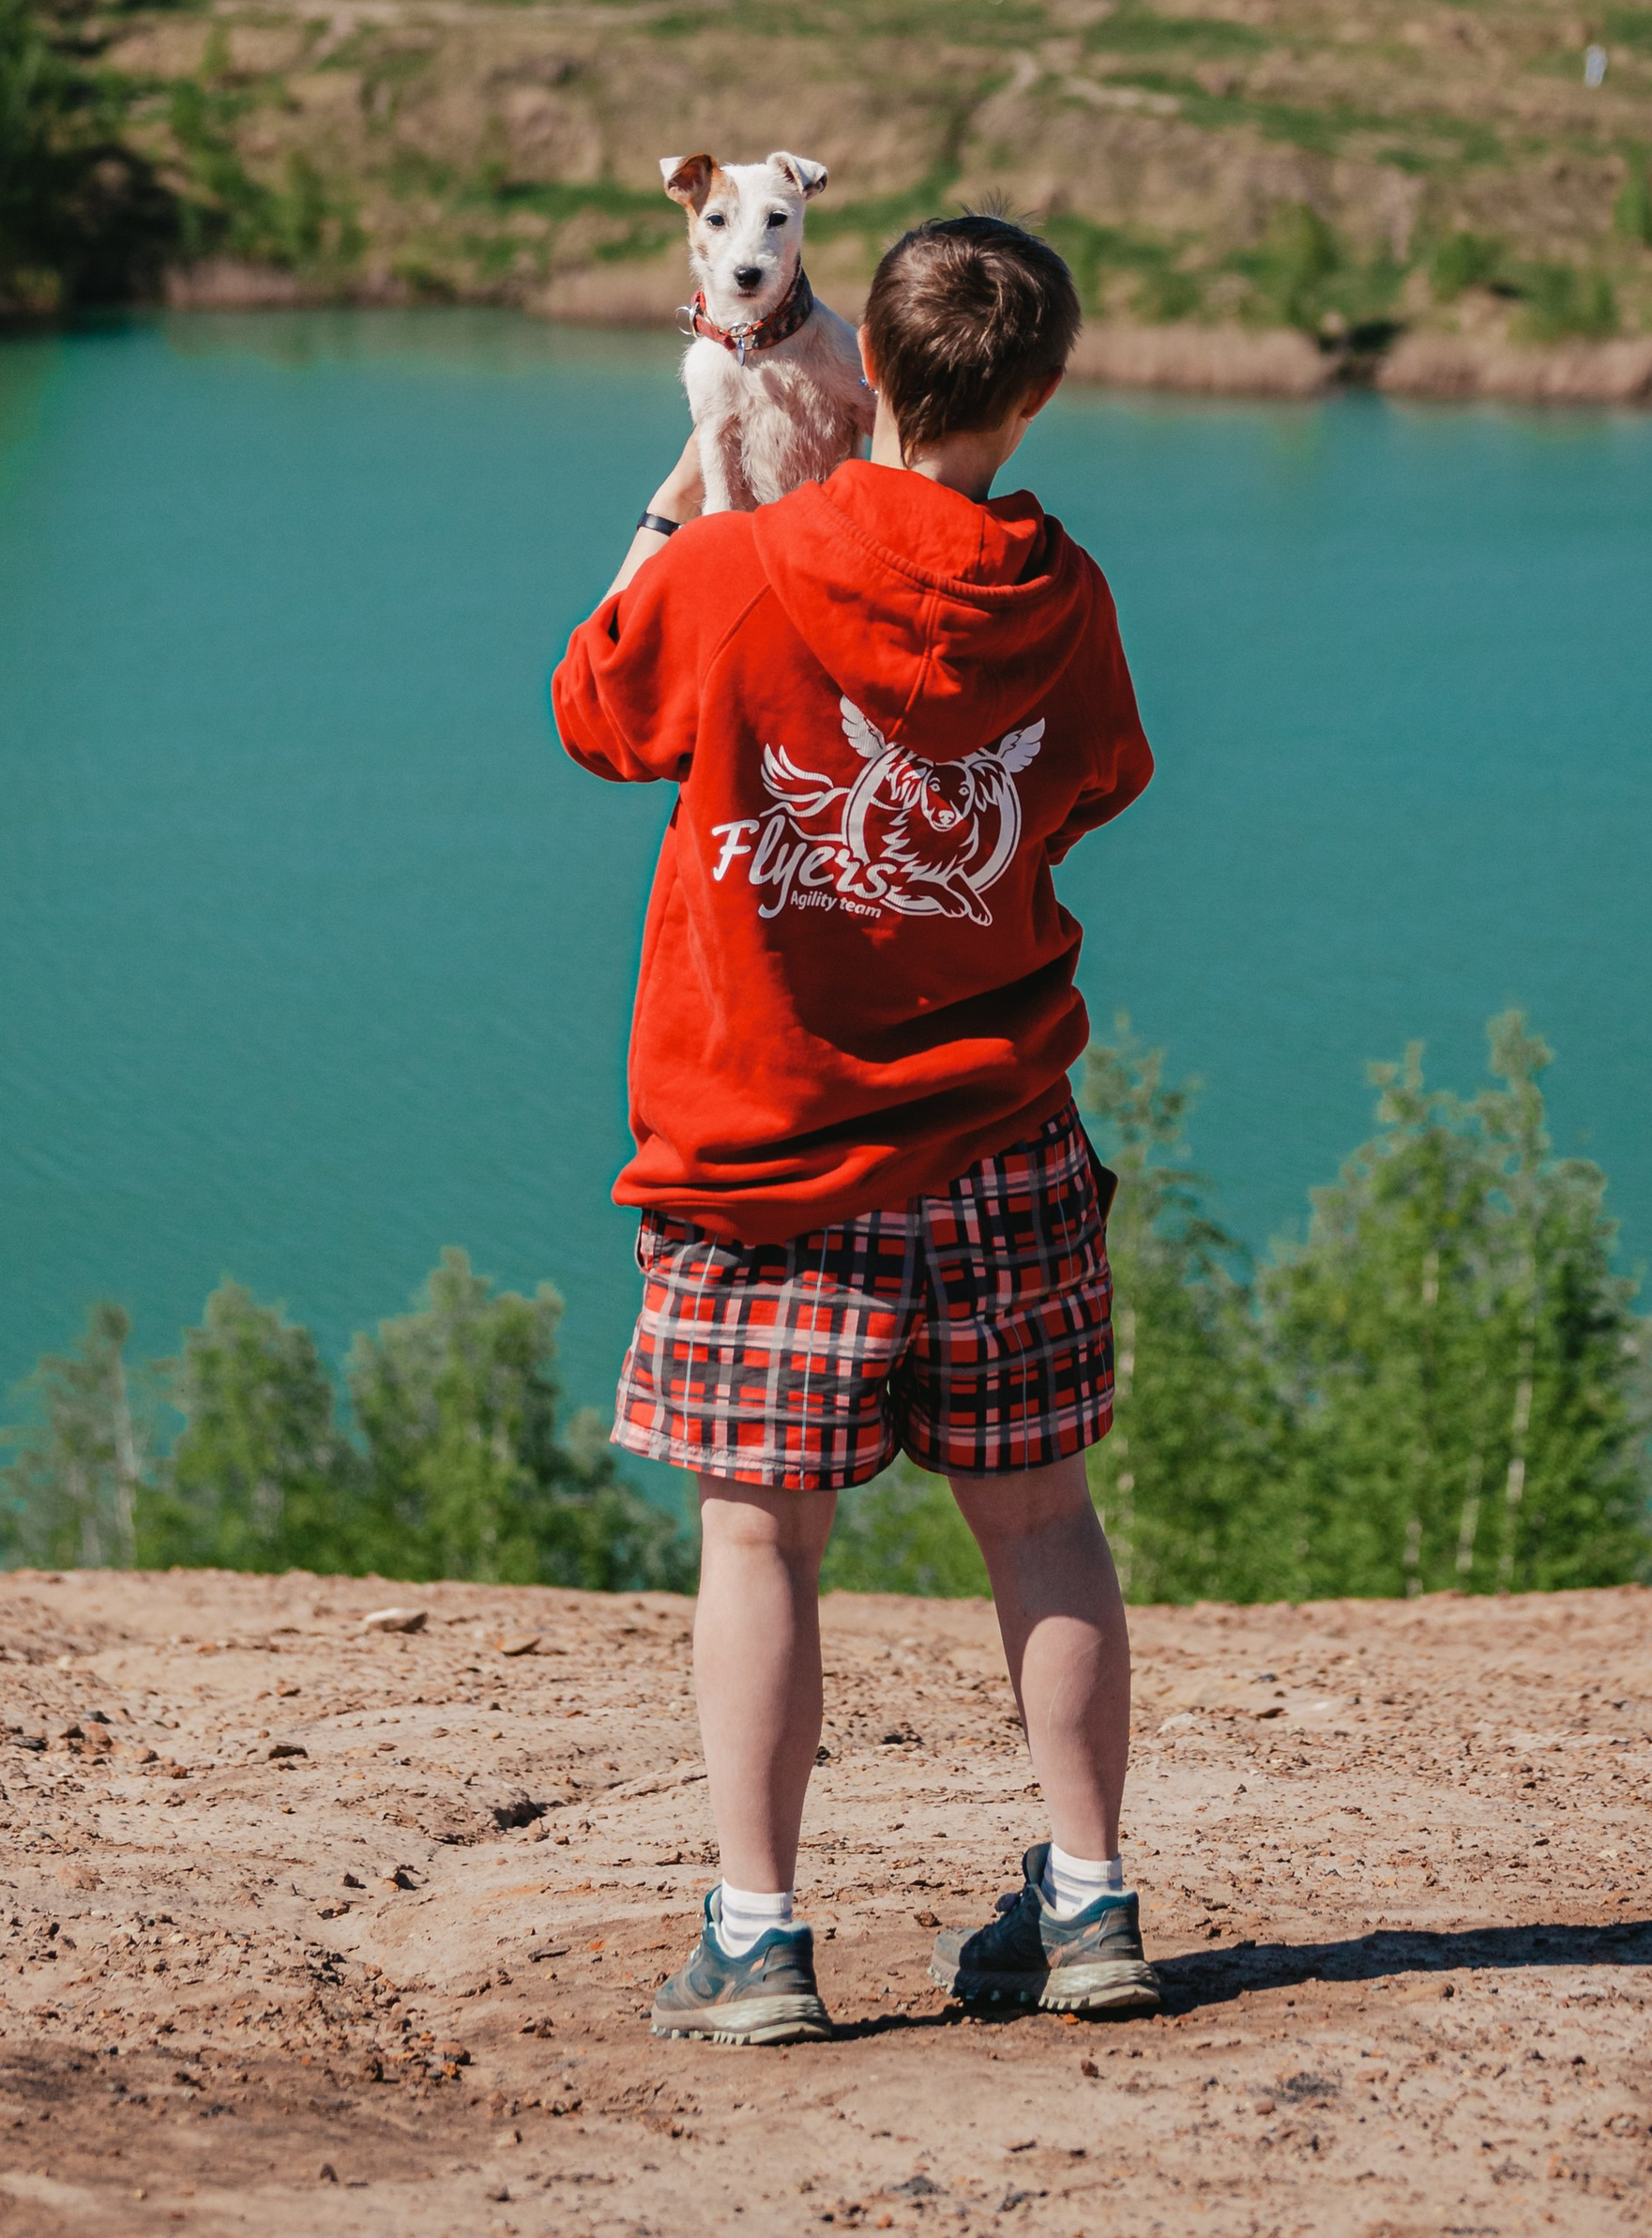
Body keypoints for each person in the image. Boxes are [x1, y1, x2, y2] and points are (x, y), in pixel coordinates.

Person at [551, 212, 1158, 2046]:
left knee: (759, 1545)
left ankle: (757, 1939)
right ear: (1036, 395)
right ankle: (1087, 1905)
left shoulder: (737, 569)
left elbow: (593, 704)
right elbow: (1098, 781)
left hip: (767, 1151)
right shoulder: (1058, 595)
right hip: (1000, 1135)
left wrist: (678, 492)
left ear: (864, 365)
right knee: (1041, 1523)